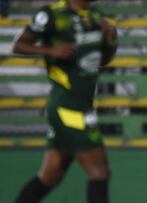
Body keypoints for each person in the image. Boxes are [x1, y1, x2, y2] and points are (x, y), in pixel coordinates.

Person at [12, 0, 117, 202]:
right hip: (67, 108)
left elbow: (101, 60)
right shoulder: (51, 14)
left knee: (50, 177)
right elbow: (19, 45)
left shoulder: (95, 17)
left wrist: (110, 40)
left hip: (81, 105)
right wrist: (50, 51)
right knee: (99, 172)